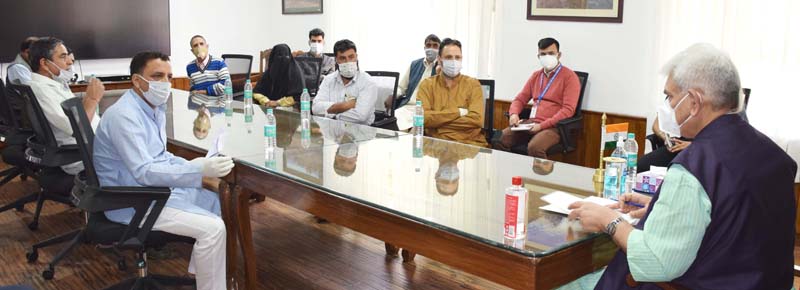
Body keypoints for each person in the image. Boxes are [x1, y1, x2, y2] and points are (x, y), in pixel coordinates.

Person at [560, 44, 797, 290]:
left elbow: (655, 262)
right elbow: (739, 221)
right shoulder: (773, 155)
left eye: (670, 96)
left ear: (694, 102)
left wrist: (608, 220)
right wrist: (662, 208)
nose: (668, 106)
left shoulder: (696, 167)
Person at [93, 51, 233, 290]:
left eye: (169, 76)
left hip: (151, 191)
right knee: (213, 228)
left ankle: (201, 275)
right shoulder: (124, 116)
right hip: (131, 201)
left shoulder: (150, 108)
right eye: (157, 76)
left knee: (215, 200)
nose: (165, 83)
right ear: (137, 80)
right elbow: (144, 172)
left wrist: (194, 165)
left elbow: (160, 156)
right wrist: (198, 172)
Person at [27, 37, 104, 176]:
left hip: (92, 144)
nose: (69, 62)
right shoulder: (42, 89)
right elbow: (76, 128)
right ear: (44, 63)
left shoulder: (54, 84)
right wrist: (92, 99)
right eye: (63, 57)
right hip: (82, 154)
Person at [495, 37, 581, 158]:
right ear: (538, 57)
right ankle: (510, 173)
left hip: (553, 127)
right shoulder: (536, 76)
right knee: (499, 138)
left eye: (551, 53)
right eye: (543, 54)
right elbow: (519, 99)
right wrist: (514, 114)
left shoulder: (570, 77)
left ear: (559, 55)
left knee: (535, 147)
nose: (547, 57)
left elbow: (568, 110)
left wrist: (541, 126)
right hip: (530, 124)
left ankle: (538, 177)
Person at [416, 38, 488, 148]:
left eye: (457, 57)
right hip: (435, 146)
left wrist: (438, 125)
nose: (454, 61)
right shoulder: (426, 85)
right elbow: (423, 118)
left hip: (468, 145)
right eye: (449, 57)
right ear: (439, 60)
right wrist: (458, 112)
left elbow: (476, 120)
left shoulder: (473, 84)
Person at [312, 39, 378, 125]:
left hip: (360, 134)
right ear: (336, 60)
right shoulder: (328, 80)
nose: (348, 62)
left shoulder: (368, 82)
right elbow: (315, 108)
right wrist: (345, 106)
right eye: (343, 58)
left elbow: (361, 116)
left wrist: (334, 115)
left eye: (351, 57)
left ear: (356, 57)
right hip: (331, 132)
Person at [393, 34, 441, 130]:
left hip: (426, 110)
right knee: (391, 124)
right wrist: (393, 95)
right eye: (428, 45)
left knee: (414, 132)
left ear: (440, 49)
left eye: (435, 45)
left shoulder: (441, 67)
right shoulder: (415, 64)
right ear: (424, 48)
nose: (431, 48)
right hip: (407, 107)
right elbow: (401, 88)